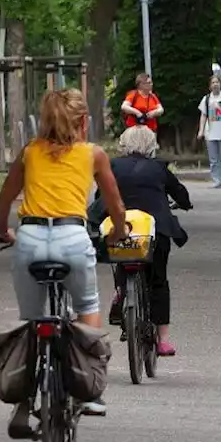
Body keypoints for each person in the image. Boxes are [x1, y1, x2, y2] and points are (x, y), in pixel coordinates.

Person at [0, 88, 128, 435]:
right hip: (71, 238)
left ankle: (23, 409)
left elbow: (5, 198)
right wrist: (116, 234)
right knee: (87, 303)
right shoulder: (93, 155)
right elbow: (115, 205)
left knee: (33, 322)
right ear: (83, 121)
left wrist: (3, 232)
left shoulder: (29, 153)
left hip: (31, 239)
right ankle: (90, 391)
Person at [89, 125, 193, 357]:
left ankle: (121, 290)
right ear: (151, 145)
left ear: (124, 144)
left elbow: (100, 199)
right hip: (154, 230)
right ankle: (163, 340)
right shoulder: (159, 168)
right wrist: (184, 203)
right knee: (158, 281)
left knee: (121, 256)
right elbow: (180, 194)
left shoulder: (113, 166)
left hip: (122, 228)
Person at [197, 75, 221, 188]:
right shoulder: (206, 99)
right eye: (213, 83)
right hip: (210, 132)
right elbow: (203, 116)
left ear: (220, 84)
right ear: (210, 86)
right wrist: (201, 130)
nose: (215, 85)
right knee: (213, 159)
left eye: (217, 82)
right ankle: (216, 180)